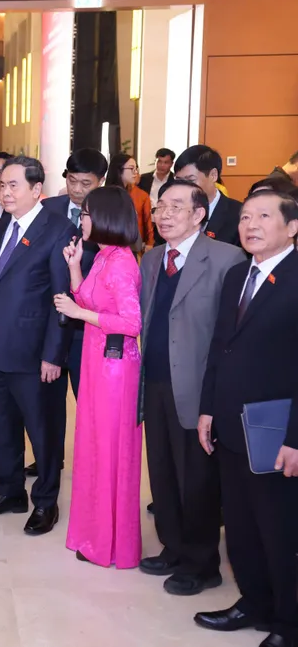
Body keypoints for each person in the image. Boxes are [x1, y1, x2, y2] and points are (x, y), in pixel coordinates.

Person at [194, 191, 298, 647]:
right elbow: (220, 347)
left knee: (280, 530)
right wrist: (207, 408)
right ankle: (252, 602)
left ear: (292, 227)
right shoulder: (238, 273)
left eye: (263, 217)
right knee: (239, 524)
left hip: (278, 429)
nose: (250, 224)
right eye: (245, 217)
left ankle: (289, 624)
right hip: (231, 423)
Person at [138, 179, 245, 594]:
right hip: (157, 382)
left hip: (200, 388)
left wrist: (216, 399)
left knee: (197, 479)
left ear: (200, 214)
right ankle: (173, 546)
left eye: (176, 208)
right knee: (162, 473)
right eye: (160, 206)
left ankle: (202, 563)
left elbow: (229, 336)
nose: (163, 215)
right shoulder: (152, 259)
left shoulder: (227, 259)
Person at [0, 156, 78, 536]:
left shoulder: (58, 230)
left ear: (36, 190)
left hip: (35, 355)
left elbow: (62, 297)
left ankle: (45, 501)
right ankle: (9, 490)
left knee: (43, 432)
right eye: (3, 184)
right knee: (1, 427)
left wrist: (54, 354)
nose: (6, 191)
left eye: (14, 185)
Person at [52, 186, 143, 568]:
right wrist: (74, 268)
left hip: (115, 368)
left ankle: (111, 542)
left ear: (105, 217)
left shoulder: (121, 262)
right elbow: (91, 300)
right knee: (92, 448)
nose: (82, 220)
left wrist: (78, 312)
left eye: (86, 214)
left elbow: (131, 322)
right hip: (96, 361)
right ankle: (95, 535)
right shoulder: (104, 256)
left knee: (108, 452)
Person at [33, 148, 108, 478]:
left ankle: (92, 464)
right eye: (72, 181)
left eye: (86, 183)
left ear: (101, 182)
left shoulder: (110, 215)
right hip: (50, 322)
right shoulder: (47, 209)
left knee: (89, 403)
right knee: (47, 401)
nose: (77, 190)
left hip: (86, 327)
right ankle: (49, 459)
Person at [174, 145, 241, 247]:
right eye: (179, 181)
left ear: (213, 175)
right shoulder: (171, 212)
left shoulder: (238, 214)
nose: (184, 187)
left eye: (191, 180)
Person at [106, 152, 153, 247]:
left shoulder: (130, 194)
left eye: (136, 169)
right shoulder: (111, 196)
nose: (135, 172)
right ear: (119, 170)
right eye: (131, 168)